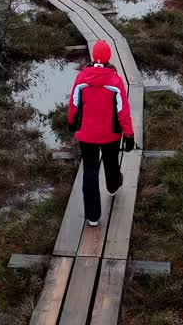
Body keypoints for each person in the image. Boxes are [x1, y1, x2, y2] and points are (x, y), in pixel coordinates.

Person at [66, 40, 135, 226]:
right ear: (108, 57)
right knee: (111, 161)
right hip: (110, 134)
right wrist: (129, 135)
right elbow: (123, 112)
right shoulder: (115, 81)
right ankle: (113, 187)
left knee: (90, 171)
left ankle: (93, 216)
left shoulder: (81, 79)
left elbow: (73, 103)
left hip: (86, 134)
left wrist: (71, 122)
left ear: (93, 57)